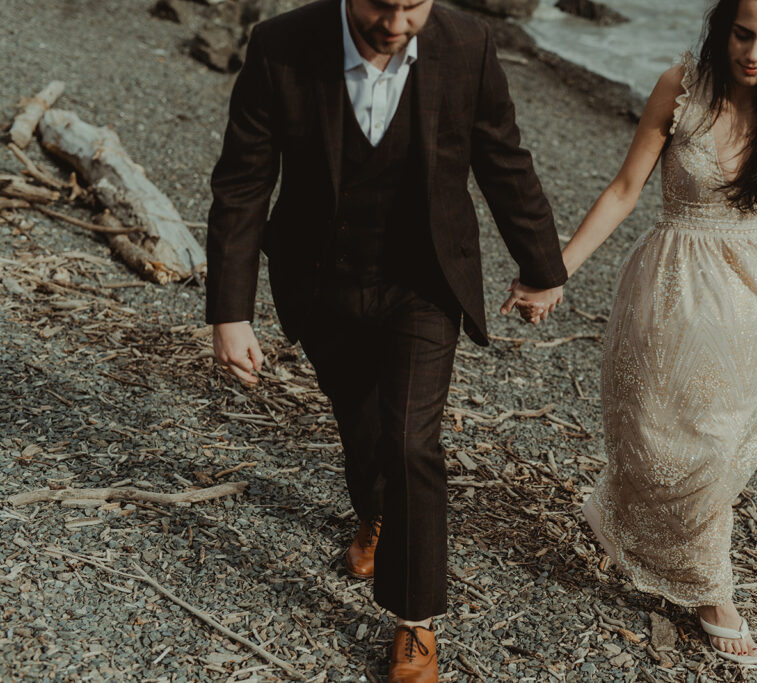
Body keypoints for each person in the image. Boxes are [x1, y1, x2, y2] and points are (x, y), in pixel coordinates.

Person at [204, 0, 566, 678]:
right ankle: (373, 512)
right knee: (363, 426)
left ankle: (415, 621)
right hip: (321, 283)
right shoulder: (280, 46)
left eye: (414, 5)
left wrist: (542, 265)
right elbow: (244, 181)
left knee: (409, 440)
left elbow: (502, 158)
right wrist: (231, 311)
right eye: (382, 5)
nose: (398, 25)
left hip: (424, 282)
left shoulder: (469, 45)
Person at [559, 0, 757, 666]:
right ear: (721, 26)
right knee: (654, 438)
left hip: (754, 288)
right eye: (743, 35)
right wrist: (556, 268)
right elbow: (627, 187)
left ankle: (714, 591)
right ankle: (627, 517)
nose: (755, 54)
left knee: (714, 447)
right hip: (674, 282)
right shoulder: (681, 87)